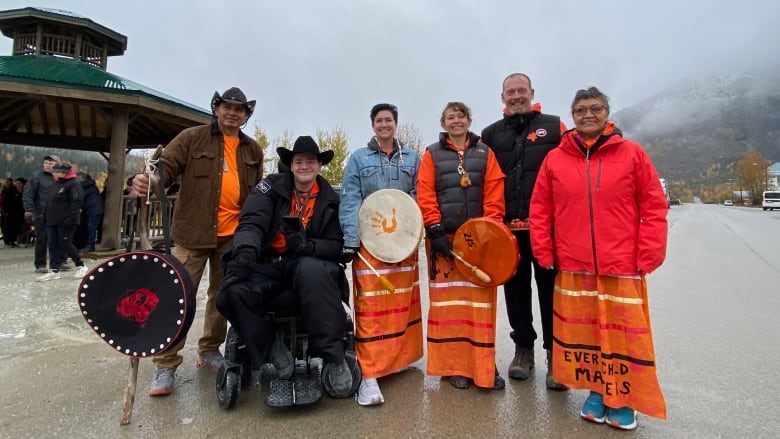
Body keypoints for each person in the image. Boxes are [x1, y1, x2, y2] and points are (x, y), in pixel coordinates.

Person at [529, 87, 668, 430]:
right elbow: (540, 208)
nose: (588, 115)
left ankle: (624, 398)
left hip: (621, 264)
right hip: (574, 265)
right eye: (581, 110)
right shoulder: (556, 159)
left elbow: (653, 206)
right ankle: (596, 390)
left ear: (607, 112)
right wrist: (544, 250)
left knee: (623, 334)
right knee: (587, 334)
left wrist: (649, 251)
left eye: (595, 108)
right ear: (572, 117)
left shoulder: (632, 154)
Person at [131, 87, 264, 396]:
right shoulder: (192, 138)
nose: (233, 112)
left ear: (246, 115)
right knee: (178, 297)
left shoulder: (253, 150)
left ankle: (209, 349)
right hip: (192, 234)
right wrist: (148, 182)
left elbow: (258, 193)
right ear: (216, 109)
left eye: (240, 109)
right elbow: (165, 169)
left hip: (232, 236)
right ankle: (165, 365)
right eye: (227, 107)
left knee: (221, 296)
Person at [216, 136, 355, 397]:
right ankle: (269, 346)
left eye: (310, 161)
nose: (304, 166)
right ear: (290, 165)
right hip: (268, 261)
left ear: (319, 166)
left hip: (305, 261)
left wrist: (308, 246)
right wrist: (245, 252)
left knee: (314, 271)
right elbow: (252, 222)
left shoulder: (332, 198)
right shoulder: (270, 187)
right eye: (299, 161)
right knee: (232, 290)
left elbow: (338, 245)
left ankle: (334, 358)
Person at [480, 72, 568, 389]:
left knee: (551, 294)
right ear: (502, 97)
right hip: (507, 232)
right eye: (510, 91)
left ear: (532, 92)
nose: (516, 95)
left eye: (521, 90)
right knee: (516, 295)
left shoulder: (555, 126)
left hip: (547, 230)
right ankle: (523, 351)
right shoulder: (489, 134)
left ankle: (554, 356)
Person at [417, 102, 506, 390]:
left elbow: (494, 192)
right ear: (443, 123)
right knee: (449, 308)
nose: (456, 121)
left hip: (477, 242)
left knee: (480, 307)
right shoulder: (431, 154)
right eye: (450, 117)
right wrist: (434, 228)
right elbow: (425, 191)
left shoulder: (485, 152)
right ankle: (453, 365)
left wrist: (488, 231)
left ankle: (482, 364)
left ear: (469, 120)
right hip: (443, 240)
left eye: (461, 116)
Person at [339, 103, 423, 406]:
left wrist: (415, 236)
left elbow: (419, 197)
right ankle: (370, 373)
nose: (384, 125)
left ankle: (398, 360)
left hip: (403, 245)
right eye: (379, 120)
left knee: (402, 303)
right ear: (373, 125)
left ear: (395, 124)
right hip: (370, 246)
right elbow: (350, 199)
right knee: (372, 309)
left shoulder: (413, 158)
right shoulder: (359, 159)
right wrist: (351, 239)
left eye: (389, 120)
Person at [36, 162, 89, 281]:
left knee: (66, 243)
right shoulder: (56, 184)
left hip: (66, 221)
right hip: (52, 220)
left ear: (63, 173)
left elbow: (76, 203)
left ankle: (81, 265)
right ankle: (54, 270)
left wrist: (70, 219)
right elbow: (50, 202)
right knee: (52, 245)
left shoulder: (73, 184)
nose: (53, 174)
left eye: (56, 172)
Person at [23, 154, 60, 272]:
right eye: (46, 163)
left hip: (57, 213)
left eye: (51, 163)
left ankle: (60, 261)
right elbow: (28, 193)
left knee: (60, 238)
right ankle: (40, 264)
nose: (48, 165)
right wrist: (28, 209)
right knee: (41, 239)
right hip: (41, 213)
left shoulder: (61, 177)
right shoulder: (36, 177)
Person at [78, 172, 104, 252]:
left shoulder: (86, 187)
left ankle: (90, 245)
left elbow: (80, 198)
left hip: (95, 210)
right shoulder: (90, 186)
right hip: (94, 209)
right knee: (91, 226)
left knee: (91, 227)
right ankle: (89, 243)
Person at [2, 178, 25, 247]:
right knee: (10, 226)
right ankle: (8, 240)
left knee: (18, 226)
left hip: (20, 212)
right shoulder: (10, 191)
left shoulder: (24, 191)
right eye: (17, 183)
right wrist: (5, 210)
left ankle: (13, 239)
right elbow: (5, 201)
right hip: (11, 212)